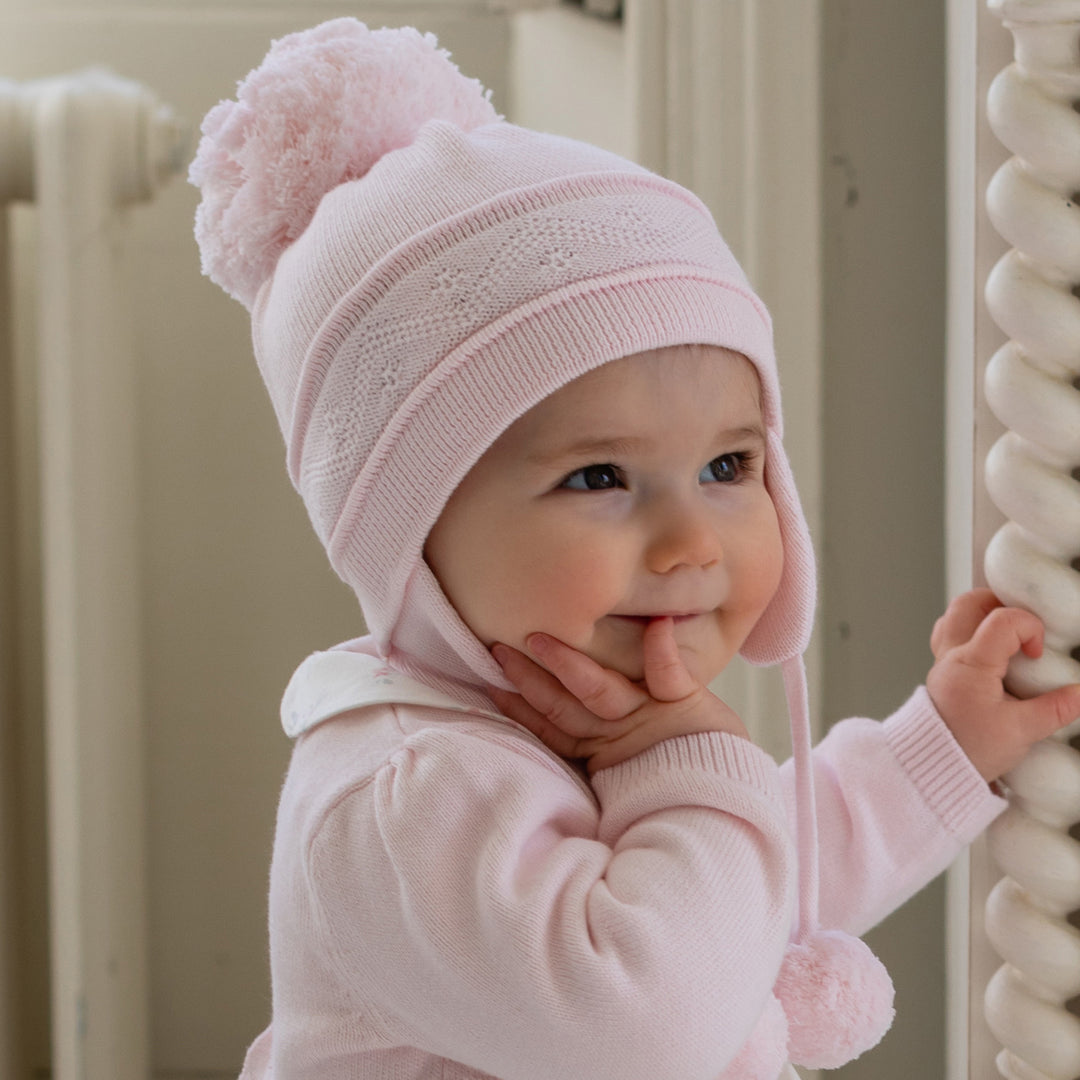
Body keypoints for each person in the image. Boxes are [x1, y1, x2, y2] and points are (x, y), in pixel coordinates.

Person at [189, 19, 1080, 1080]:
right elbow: (651, 1019)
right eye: (601, 478)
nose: (691, 540)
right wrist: (680, 748)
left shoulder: (580, 721)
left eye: (728, 468)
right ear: (407, 531)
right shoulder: (406, 798)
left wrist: (941, 742)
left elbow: (744, 886)